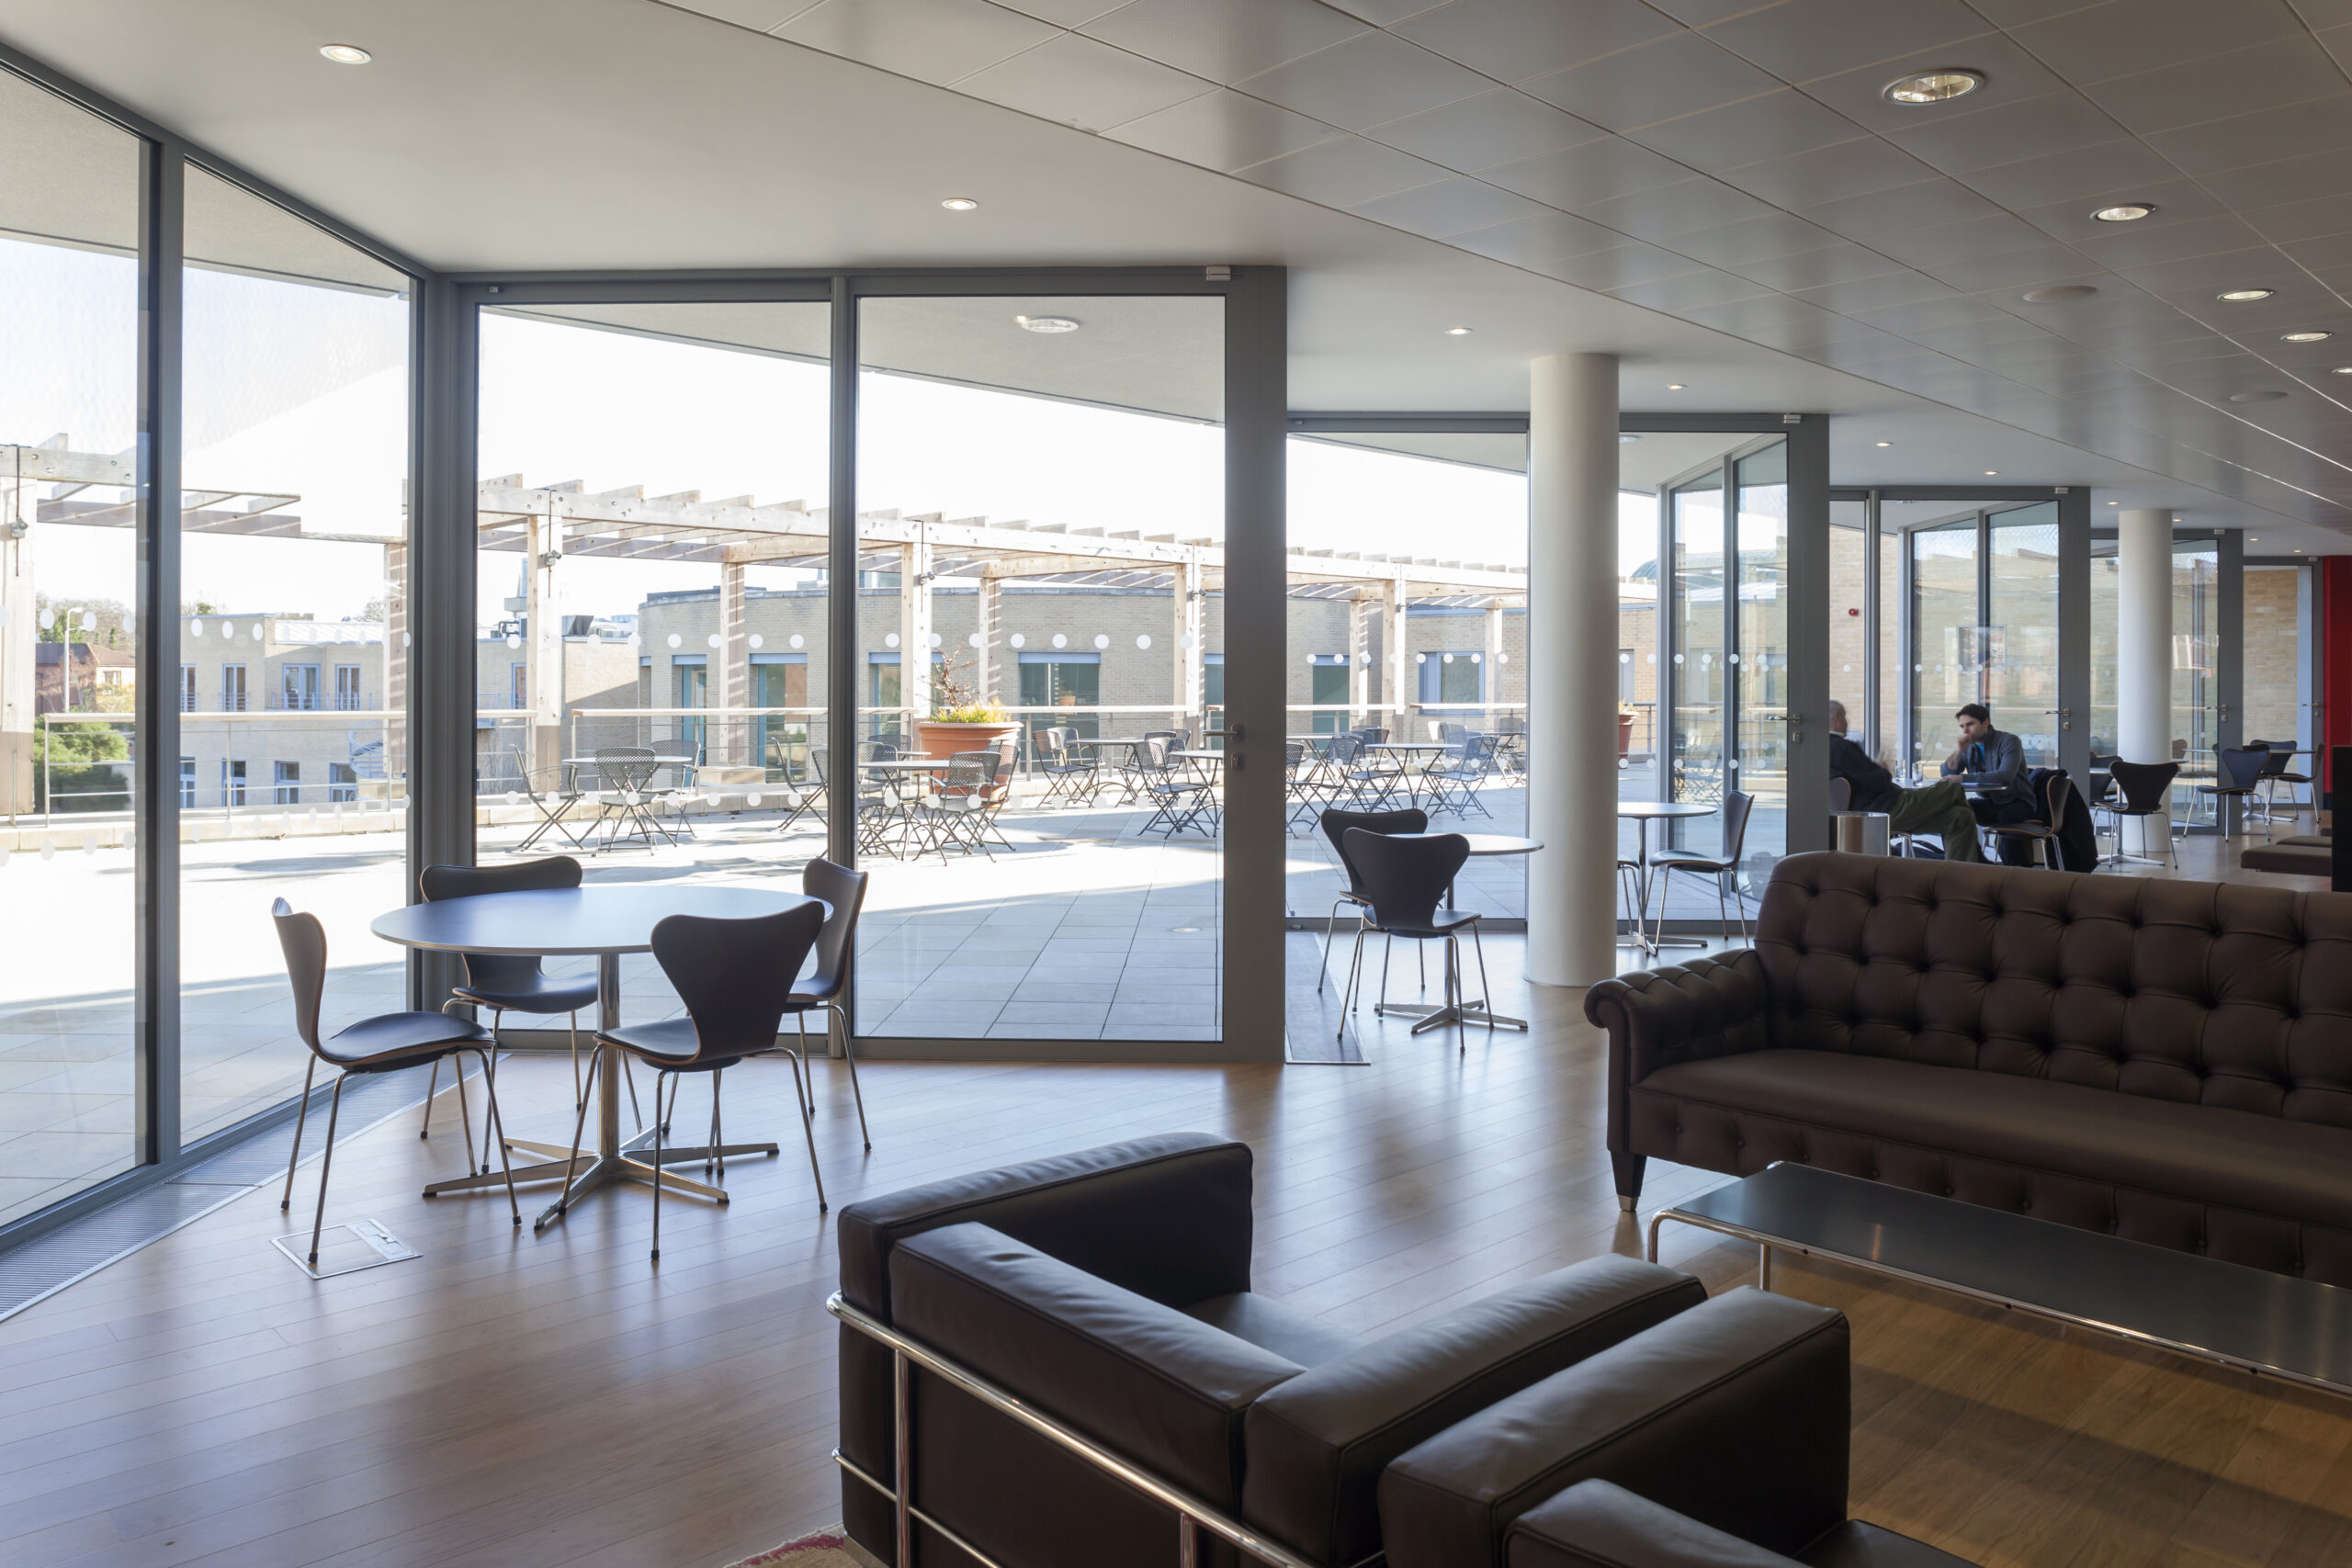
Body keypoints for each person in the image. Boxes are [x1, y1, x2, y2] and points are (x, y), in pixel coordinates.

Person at [1827, 701, 1983, 862]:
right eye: (1845, 717)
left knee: (1961, 817)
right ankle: (1979, 861)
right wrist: (1882, 769)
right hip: (1887, 810)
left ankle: (1961, 872)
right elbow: (1880, 782)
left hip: (1864, 815)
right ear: (1838, 718)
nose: (1847, 722)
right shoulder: (1842, 748)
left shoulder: (1821, 750)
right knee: (1953, 788)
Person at [1942, 704, 2038, 846]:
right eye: (1962, 726)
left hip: (2018, 801)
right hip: (1990, 802)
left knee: (2006, 817)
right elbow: (1946, 774)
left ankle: (2014, 860)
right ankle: (1963, 857)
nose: (1965, 731)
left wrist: (1963, 778)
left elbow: (2005, 776)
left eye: (1970, 724)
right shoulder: (1968, 746)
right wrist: (1959, 750)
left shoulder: (2009, 741)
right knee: (1951, 812)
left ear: (1986, 722)